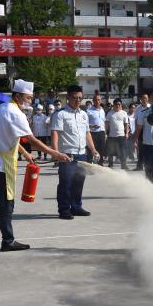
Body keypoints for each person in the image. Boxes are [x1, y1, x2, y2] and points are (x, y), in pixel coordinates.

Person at [0, 79, 70, 250]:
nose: (30, 101)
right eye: (28, 97)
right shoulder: (16, 114)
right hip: (2, 164)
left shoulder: (3, 108)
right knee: (7, 202)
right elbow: (31, 139)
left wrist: (25, 153)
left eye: (31, 98)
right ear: (17, 96)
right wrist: (55, 153)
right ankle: (7, 240)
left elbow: (10, 136)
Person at [51, 85, 99, 220]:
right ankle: (64, 209)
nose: (78, 100)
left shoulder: (84, 114)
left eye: (80, 98)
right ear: (68, 97)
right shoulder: (60, 114)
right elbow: (55, 133)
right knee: (65, 183)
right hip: (67, 154)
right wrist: (55, 152)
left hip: (82, 154)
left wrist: (93, 149)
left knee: (79, 182)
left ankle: (76, 207)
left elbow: (87, 133)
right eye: (75, 98)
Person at [106, 98, 129, 169]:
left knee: (123, 151)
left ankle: (123, 165)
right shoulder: (110, 113)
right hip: (112, 135)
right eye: (116, 104)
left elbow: (126, 124)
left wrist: (127, 133)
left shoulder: (124, 113)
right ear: (113, 105)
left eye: (119, 104)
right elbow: (107, 124)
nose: (117, 106)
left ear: (121, 105)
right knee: (110, 151)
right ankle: (110, 164)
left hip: (121, 135)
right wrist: (106, 133)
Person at [87, 93, 107, 165]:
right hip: (92, 133)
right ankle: (90, 165)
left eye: (98, 100)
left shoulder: (102, 110)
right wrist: (91, 126)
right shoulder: (89, 111)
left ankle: (100, 164)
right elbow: (85, 123)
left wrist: (105, 133)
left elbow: (104, 122)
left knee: (101, 150)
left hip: (101, 133)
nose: (97, 101)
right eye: (95, 100)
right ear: (93, 101)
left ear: (101, 101)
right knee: (91, 150)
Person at [134, 94, 150, 170]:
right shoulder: (138, 109)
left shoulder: (151, 107)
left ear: (148, 99)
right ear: (141, 99)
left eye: (146, 98)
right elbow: (136, 120)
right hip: (140, 130)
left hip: (149, 130)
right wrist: (136, 130)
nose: (144, 99)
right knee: (141, 148)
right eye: (143, 98)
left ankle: (149, 165)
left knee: (149, 148)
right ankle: (139, 165)